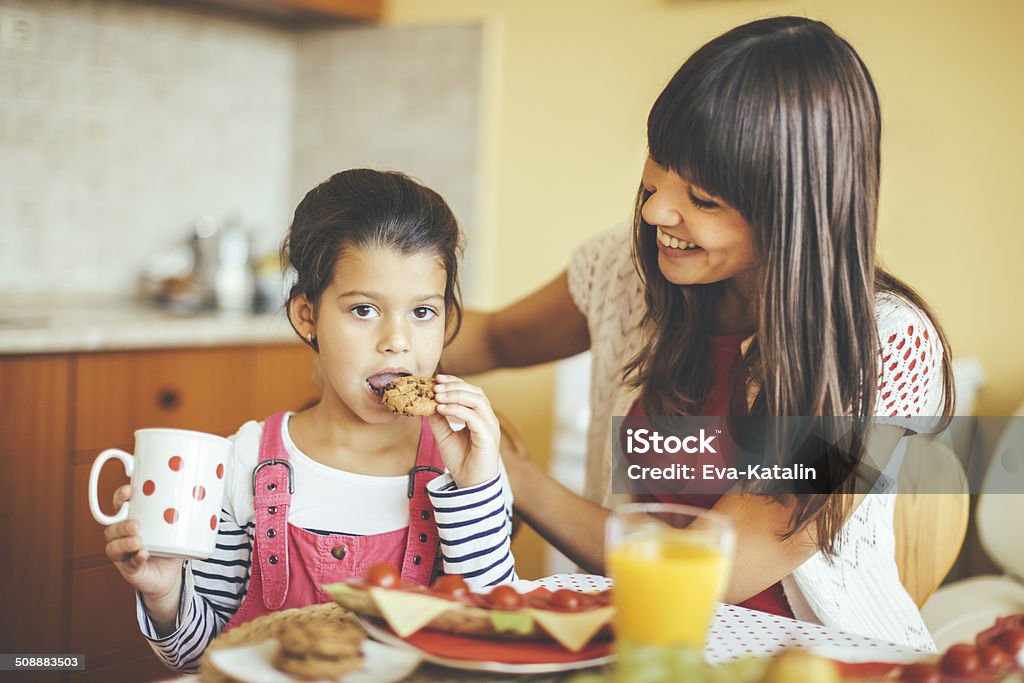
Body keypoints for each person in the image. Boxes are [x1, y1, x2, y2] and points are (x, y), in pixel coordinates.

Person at [444, 16, 954, 650]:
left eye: (703, 198)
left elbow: (724, 566)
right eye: (659, 166)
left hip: (808, 657)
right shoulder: (623, 271)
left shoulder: (882, 348)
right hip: (642, 640)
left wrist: (507, 474)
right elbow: (494, 339)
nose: (656, 210)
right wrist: (379, 333)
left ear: (795, 210)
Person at [103, 169, 518, 672]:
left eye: (423, 313)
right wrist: (165, 593)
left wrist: (475, 489)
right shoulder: (244, 462)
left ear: (448, 318)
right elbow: (201, 659)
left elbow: (496, 637)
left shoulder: (467, 472)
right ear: (306, 316)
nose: (398, 340)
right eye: (364, 310)